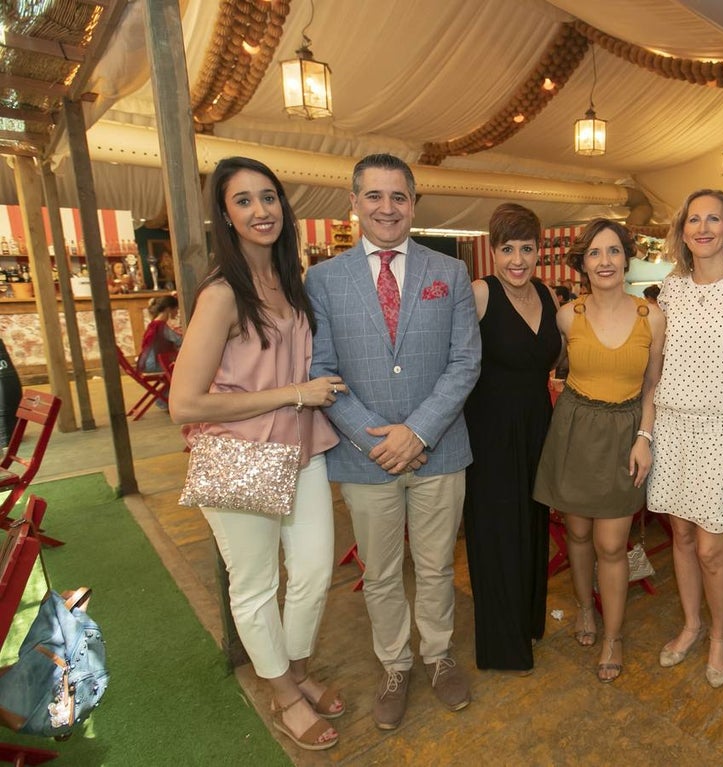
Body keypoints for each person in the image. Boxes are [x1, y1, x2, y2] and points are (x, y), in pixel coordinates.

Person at [169, 156, 346, 752]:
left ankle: (294, 667)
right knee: (254, 583)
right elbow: (184, 403)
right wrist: (295, 393)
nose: (260, 210)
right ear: (225, 214)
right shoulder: (222, 294)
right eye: (243, 200)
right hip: (241, 455)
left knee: (316, 570)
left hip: (303, 449)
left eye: (268, 197)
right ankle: (282, 691)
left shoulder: (291, 280)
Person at [305, 153, 481, 731]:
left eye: (398, 197)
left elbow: (464, 363)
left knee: (435, 568)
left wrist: (419, 431)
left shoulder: (448, 271)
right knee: (380, 573)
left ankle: (438, 655)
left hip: (440, 449)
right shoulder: (324, 279)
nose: (387, 208)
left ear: (413, 205)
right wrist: (376, 440)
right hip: (364, 458)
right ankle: (395, 666)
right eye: (374, 196)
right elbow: (323, 371)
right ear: (353, 203)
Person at [646, 189, 723, 688]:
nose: (702, 228)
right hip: (672, 427)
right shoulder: (670, 289)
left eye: (712, 219)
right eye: (692, 219)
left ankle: (719, 636)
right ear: (683, 232)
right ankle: (691, 625)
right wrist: (646, 432)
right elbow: (655, 373)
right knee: (679, 535)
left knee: (711, 549)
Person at [533, 219, 665, 684]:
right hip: (574, 430)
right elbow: (547, 368)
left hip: (625, 433)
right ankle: (585, 610)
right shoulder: (569, 316)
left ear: (626, 259)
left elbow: (653, 387)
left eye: (613, 251)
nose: (605, 261)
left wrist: (645, 439)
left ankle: (613, 635)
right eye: (595, 253)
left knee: (612, 543)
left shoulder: (653, 316)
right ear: (583, 262)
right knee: (580, 535)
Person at [464, 203, 561, 673]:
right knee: (497, 535)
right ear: (492, 249)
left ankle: (528, 623)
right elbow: (455, 365)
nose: (518, 259)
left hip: (538, 427)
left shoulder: (547, 295)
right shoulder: (479, 293)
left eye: (527, 248)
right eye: (508, 249)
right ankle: (502, 646)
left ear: (539, 250)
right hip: (490, 433)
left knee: (532, 529)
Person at [136, 294, 182, 374]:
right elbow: (180, 341)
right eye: (176, 310)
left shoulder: (154, 324)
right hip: (154, 365)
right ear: (168, 309)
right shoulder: (160, 326)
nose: (177, 313)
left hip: (145, 363)